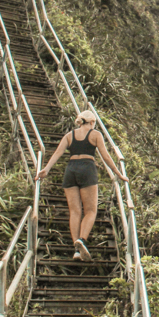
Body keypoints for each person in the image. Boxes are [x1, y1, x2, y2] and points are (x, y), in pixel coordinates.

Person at [35, 109, 128, 261]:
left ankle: (76, 251)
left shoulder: (69, 135)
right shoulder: (95, 134)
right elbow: (105, 156)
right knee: (90, 211)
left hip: (70, 170)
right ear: (92, 122)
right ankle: (82, 239)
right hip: (87, 169)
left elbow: (57, 153)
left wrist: (45, 169)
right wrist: (119, 174)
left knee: (75, 212)